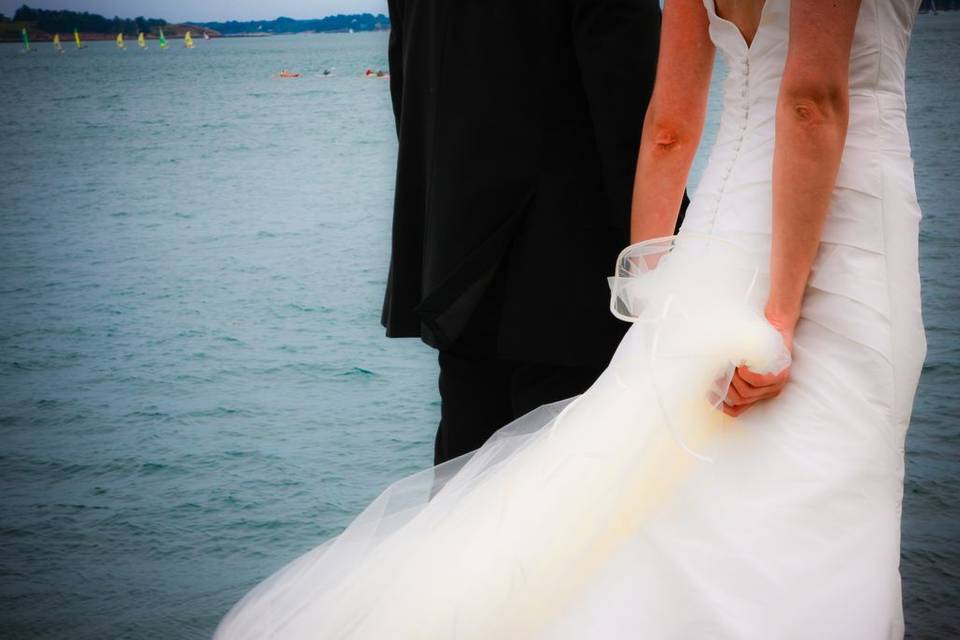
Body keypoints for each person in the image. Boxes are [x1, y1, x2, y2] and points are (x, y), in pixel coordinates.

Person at [214, 0, 926, 637]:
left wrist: (651, 290)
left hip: (466, 270)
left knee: (519, 508)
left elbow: (666, 128)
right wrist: (769, 312)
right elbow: (805, 103)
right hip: (625, 269)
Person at [381, 0, 673, 465]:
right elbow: (635, 121)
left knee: (466, 500)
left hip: (456, 278)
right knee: (578, 500)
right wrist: (671, 268)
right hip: (576, 286)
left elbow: (411, 99)